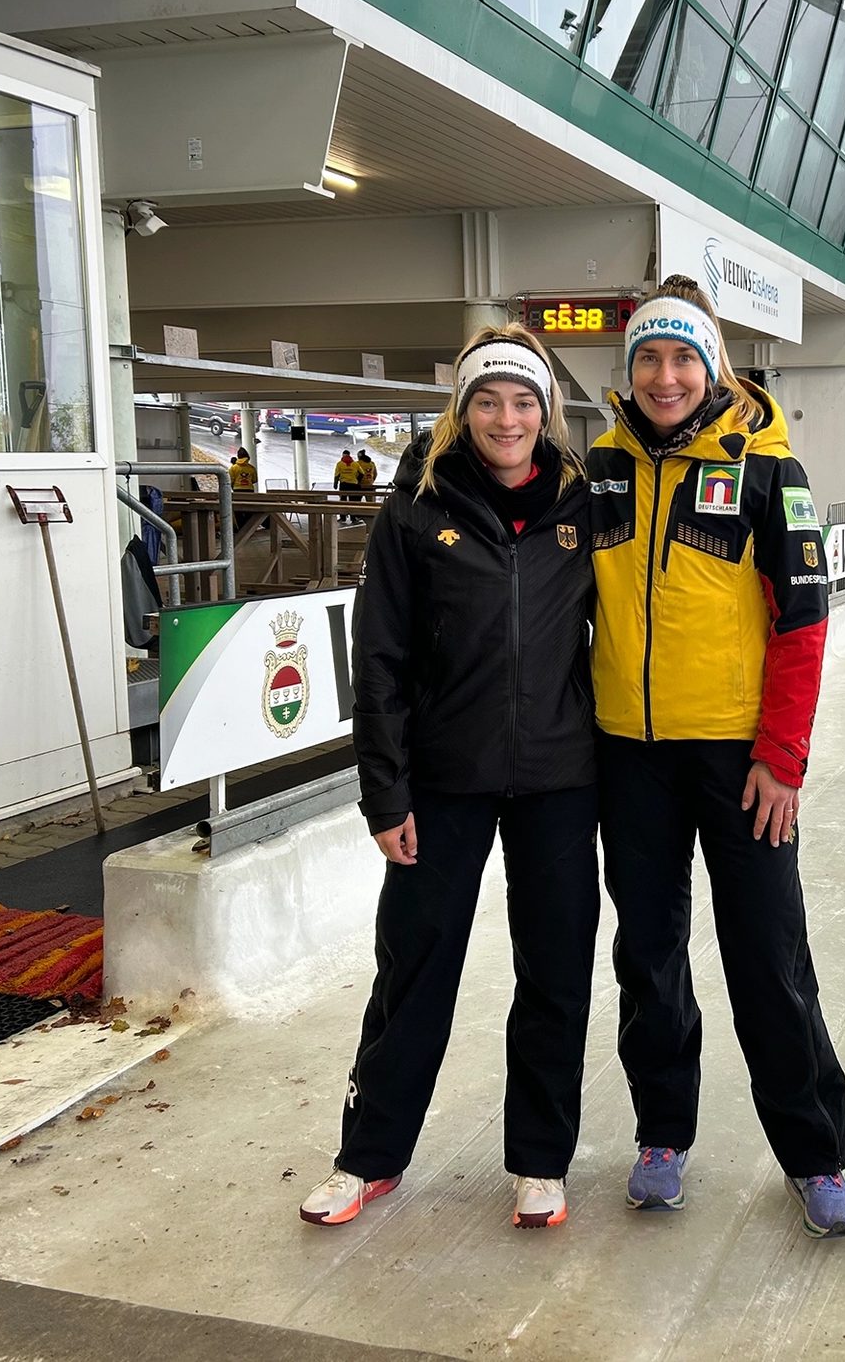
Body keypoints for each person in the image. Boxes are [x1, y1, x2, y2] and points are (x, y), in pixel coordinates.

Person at [300, 324, 599, 1232]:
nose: (506, 418)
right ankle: (370, 1156)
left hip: (558, 777)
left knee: (555, 969)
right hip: (443, 781)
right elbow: (379, 658)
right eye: (487, 400)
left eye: (523, 401)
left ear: (546, 413)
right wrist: (384, 792)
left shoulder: (585, 508)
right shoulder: (413, 511)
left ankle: (541, 1161)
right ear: (460, 412)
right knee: (416, 966)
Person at [587, 275, 845, 1238]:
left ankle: (815, 1152)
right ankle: (662, 1134)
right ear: (631, 370)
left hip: (742, 762)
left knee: (768, 956)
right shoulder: (604, 467)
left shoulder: (765, 470)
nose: (666, 377)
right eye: (649, 359)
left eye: (683, 358)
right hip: (632, 760)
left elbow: (806, 620)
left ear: (712, 367)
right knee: (647, 954)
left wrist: (782, 755)